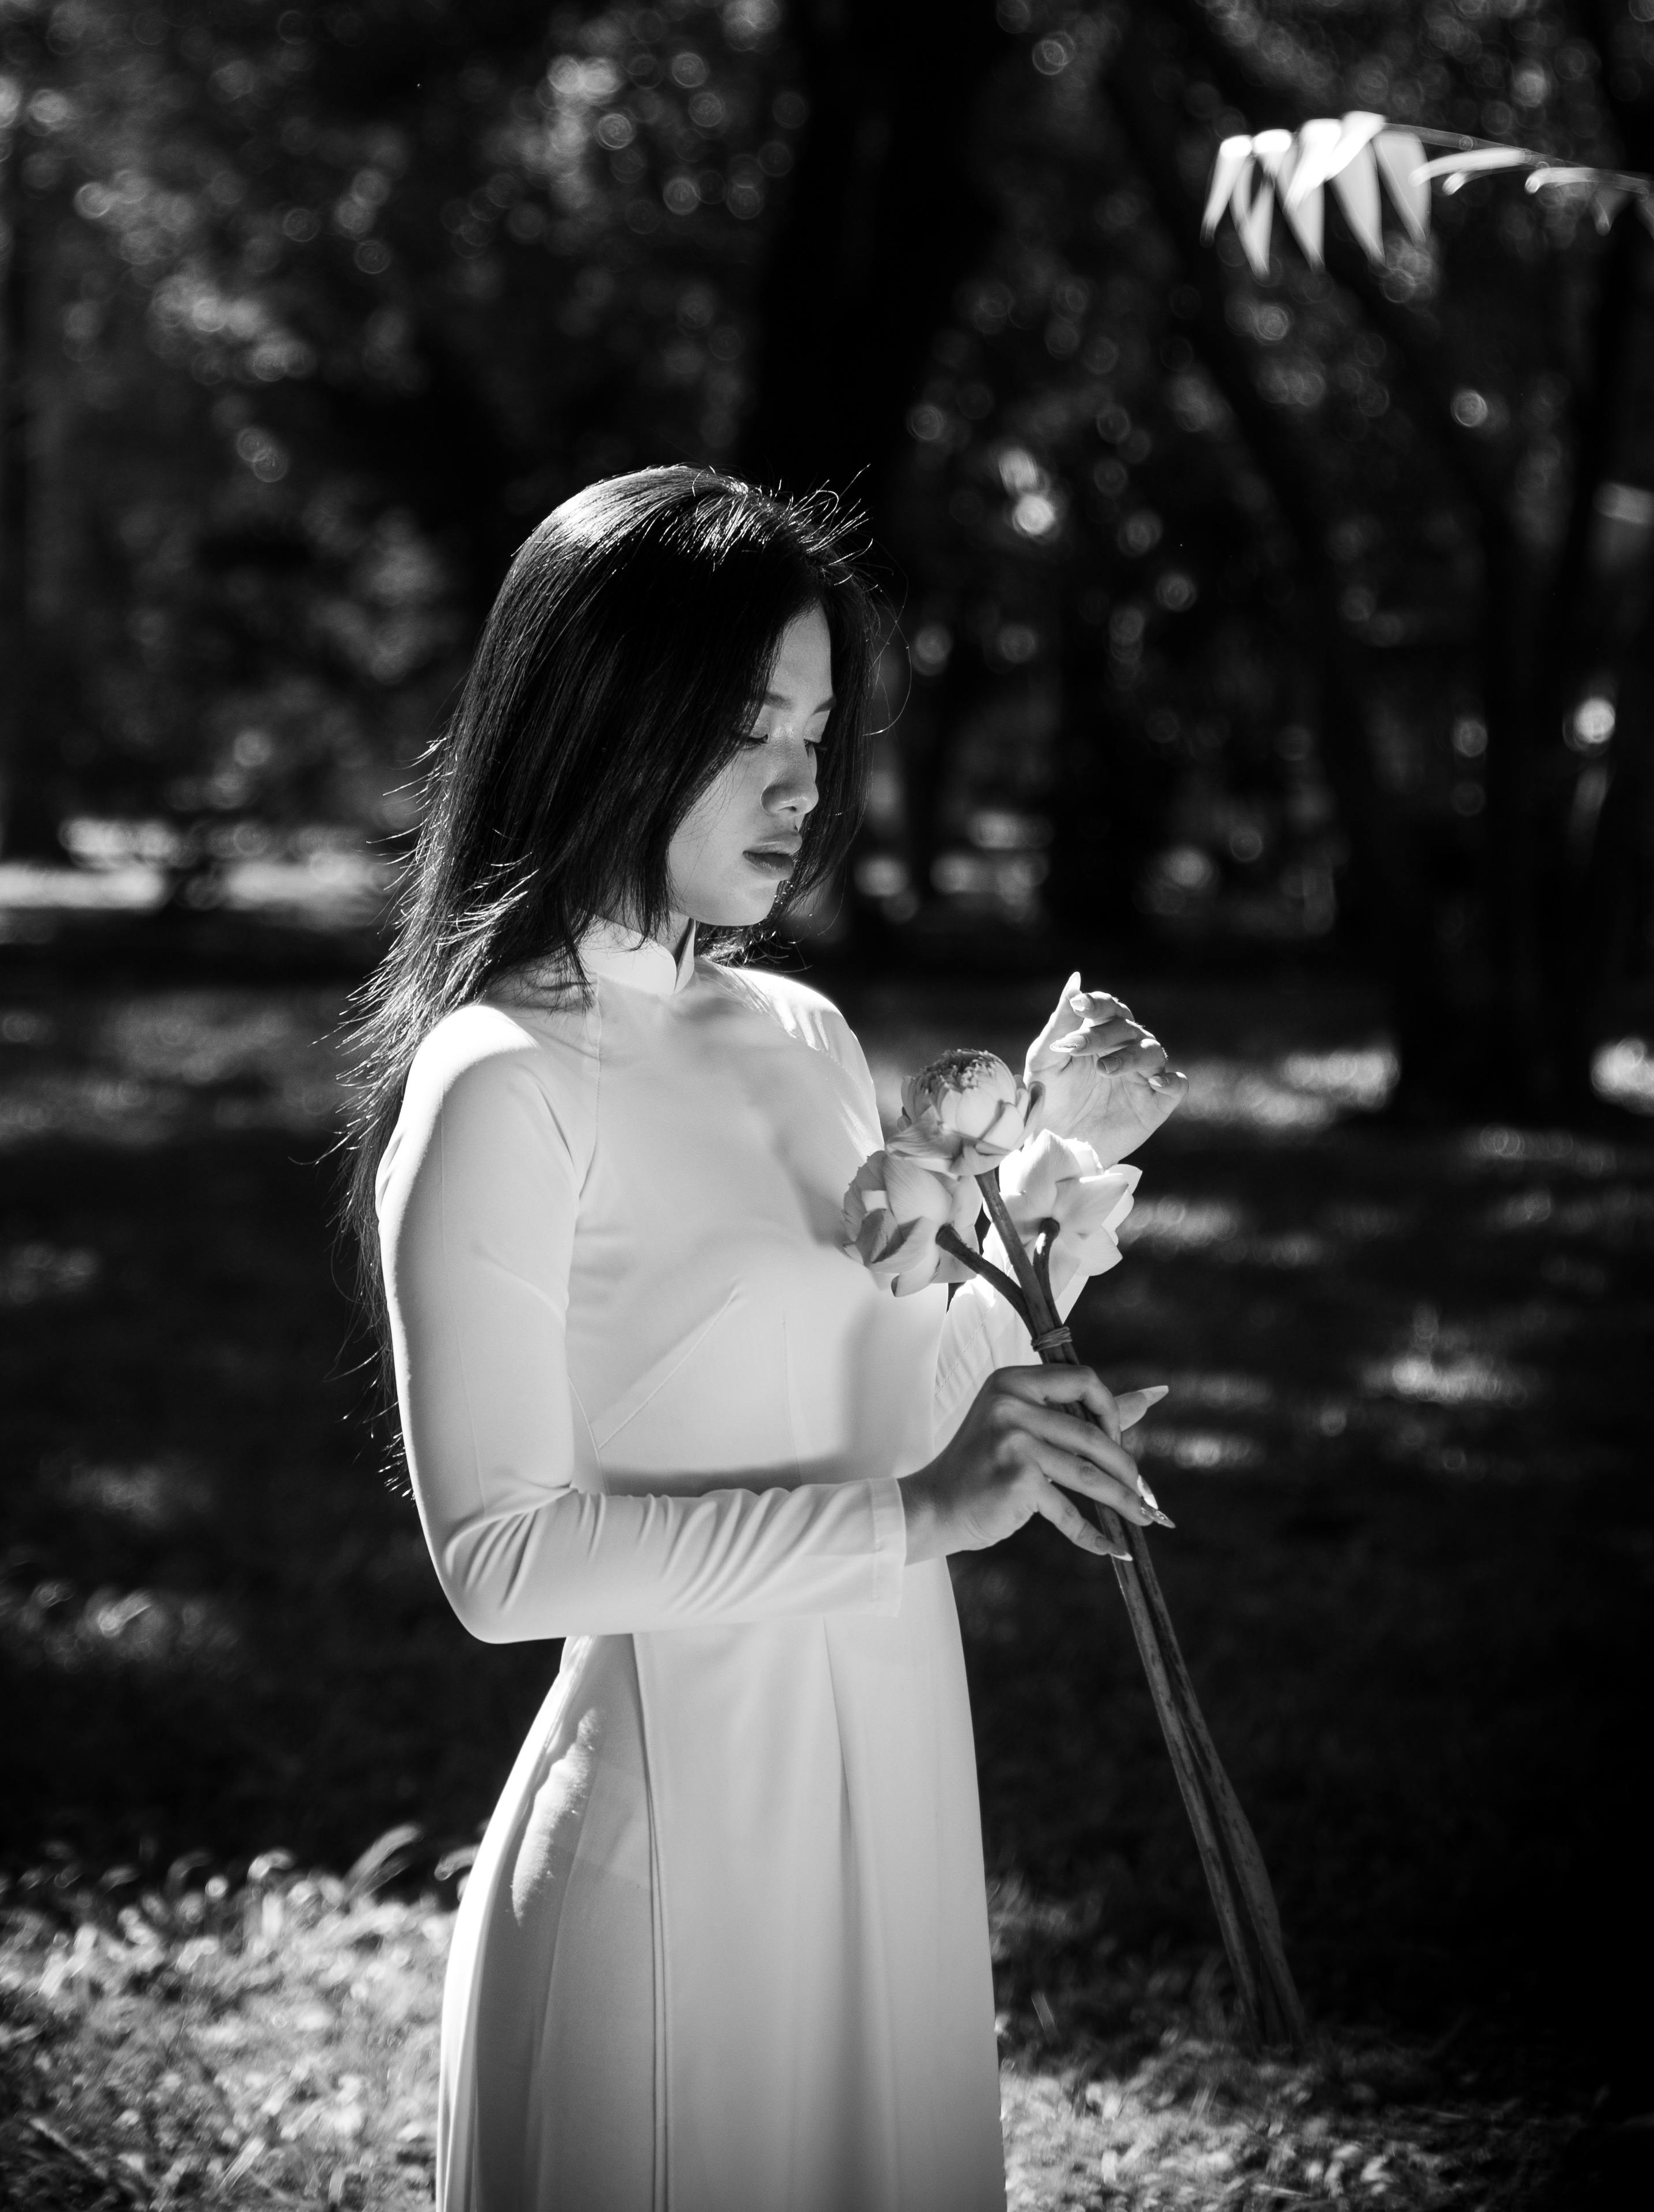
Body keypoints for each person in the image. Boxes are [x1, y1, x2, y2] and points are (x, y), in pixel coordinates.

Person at [345, 468, 1175, 2211]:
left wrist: (1046, 1234)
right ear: (601, 720)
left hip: (897, 1780)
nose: (801, 780)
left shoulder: (801, 1028)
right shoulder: (500, 1079)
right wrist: (920, 1519)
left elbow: (883, 1404)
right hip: (677, 1858)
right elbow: (500, 1563)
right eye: (745, 728)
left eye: (814, 725)